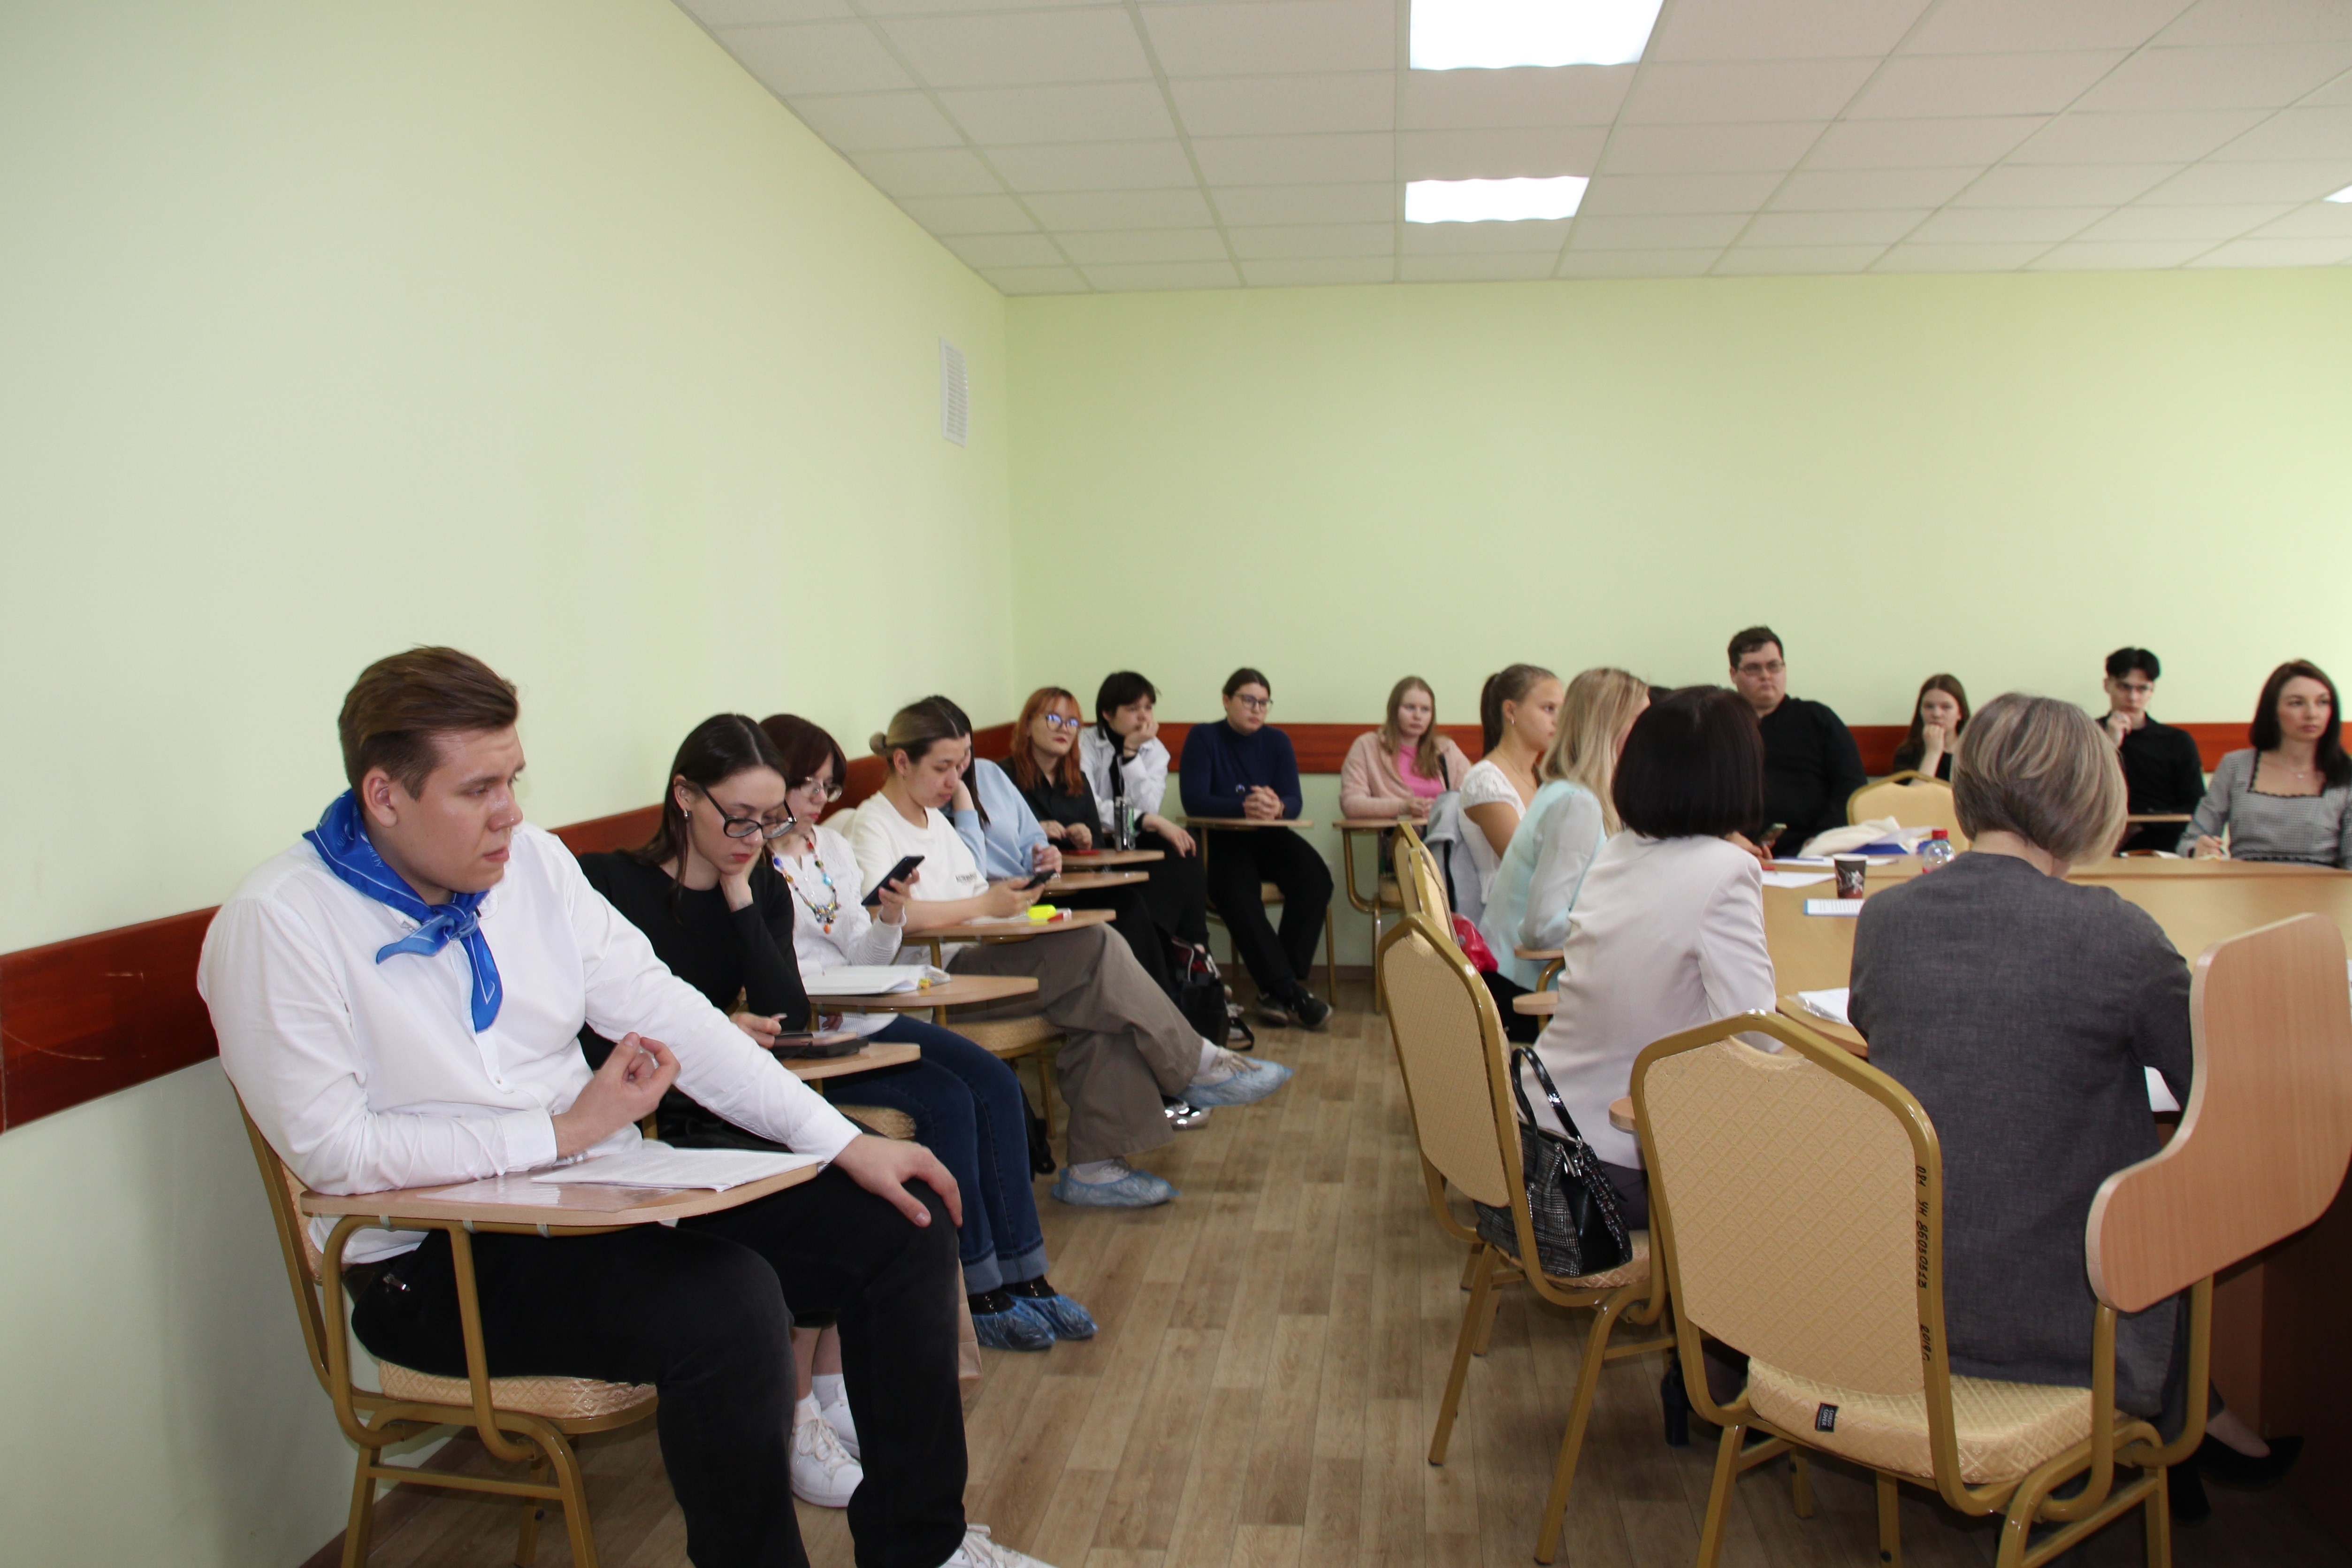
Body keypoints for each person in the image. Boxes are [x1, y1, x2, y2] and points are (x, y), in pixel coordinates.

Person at [200, 648, 1046, 1568]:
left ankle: (922, 1549)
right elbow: (336, 1152)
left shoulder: (534, 866)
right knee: (728, 1304)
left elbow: (671, 1011)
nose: (510, 811)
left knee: (900, 1216)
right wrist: (560, 1131)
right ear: (383, 794)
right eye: (478, 789)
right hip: (432, 1258)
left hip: (595, 1193)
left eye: (513, 779)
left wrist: (840, 1142)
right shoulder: (279, 920)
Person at [1851, 692, 2293, 1522]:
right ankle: (2190, 1423)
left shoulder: (1885, 919)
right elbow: (2220, 1090)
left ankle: (2199, 1425)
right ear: (2092, 796)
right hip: (2061, 1323)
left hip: (1904, 1298)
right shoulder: (2114, 933)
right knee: (2162, 1201)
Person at [580, 713, 1096, 1380]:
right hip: (662, 1118)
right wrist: (713, 1030)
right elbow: (588, 1033)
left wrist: (740, 896)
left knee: (915, 1177)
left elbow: (785, 1013)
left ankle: (854, 1377)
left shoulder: (759, 883)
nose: (757, 838)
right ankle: (817, 1392)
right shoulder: (608, 884)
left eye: (769, 820)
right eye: (741, 819)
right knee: (876, 1187)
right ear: (684, 796)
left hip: (755, 1094)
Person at [849, 699, 1292, 1208]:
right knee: (1096, 946)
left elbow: (974, 896)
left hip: (975, 955)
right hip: (933, 982)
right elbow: (885, 915)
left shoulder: (936, 820)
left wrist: (1014, 897)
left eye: (962, 764)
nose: (956, 780)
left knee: (1103, 1003)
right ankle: (1194, 1064)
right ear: (902, 762)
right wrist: (985, 904)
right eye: (943, 767)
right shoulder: (873, 824)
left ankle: (1095, 1169)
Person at [1524, 686, 1776, 1224]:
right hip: (1613, 1164)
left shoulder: (1619, 849)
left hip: (1539, 1129)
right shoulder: (1726, 869)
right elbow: (1756, 1036)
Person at [1479, 668, 1650, 1036]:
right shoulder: (1578, 803)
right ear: (1610, 727)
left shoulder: (1568, 791)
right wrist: (1624, 928)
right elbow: (1542, 928)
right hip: (1528, 990)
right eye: (1641, 721)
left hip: (1526, 979)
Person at [999, 687, 1193, 1002]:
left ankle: (1161, 1000)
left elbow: (1097, 842)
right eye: (1053, 719)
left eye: (1073, 722)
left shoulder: (1076, 780)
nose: (1064, 729)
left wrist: (1085, 838)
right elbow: (994, 843)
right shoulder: (1002, 776)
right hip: (1030, 893)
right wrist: (1033, 832)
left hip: (1077, 886)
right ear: (1028, 724)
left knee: (1130, 901)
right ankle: (1151, 1002)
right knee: (1124, 909)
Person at [1177, 668, 1336, 1031]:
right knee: (1236, 890)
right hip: (1219, 839)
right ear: (1226, 700)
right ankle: (1290, 991)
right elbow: (1194, 800)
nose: (1257, 709)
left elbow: (1294, 800)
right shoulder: (1204, 737)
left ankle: (1279, 989)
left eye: (1264, 702)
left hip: (1267, 836)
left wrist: (1278, 807)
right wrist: (1246, 806)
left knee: (1316, 878)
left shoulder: (1278, 741)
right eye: (1249, 700)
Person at [1077, 670, 1213, 967]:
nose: (1143, 717)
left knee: (1185, 847)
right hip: (1094, 841)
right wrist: (1146, 820)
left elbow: (1149, 806)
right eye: (1133, 709)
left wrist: (1131, 754)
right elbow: (1088, 806)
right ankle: (1189, 960)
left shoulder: (1155, 750)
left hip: (1134, 840)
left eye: (1148, 708)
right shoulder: (1084, 743)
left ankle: (1193, 951)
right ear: (1107, 713)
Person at [2182, 659, 2352, 866]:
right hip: (2245, 882)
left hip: (2323, 884)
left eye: (2323, 702)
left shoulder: (2347, 773)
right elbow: (2190, 840)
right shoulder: (2236, 766)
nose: (2312, 714)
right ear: (2273, 711)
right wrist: (2199, 850)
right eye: (2297, 703)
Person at [1728, 627, 1865, 858]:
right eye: (1753, 668)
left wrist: (1822, 837)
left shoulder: (1817, 718)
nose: (1766, 675)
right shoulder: (1720, 726)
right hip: (1737, 850)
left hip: (1814, 848)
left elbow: (1851, 786)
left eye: (1774, 666)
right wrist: (1728, 837)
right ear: (1734, 675)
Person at [1456, 665, 1564, 901]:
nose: (1558, 720)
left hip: (1545, 903)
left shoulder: (1542, 776)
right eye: (1548, 709)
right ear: (1511, 711)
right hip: (1507, 910)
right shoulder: (1486, 780)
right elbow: (1527, 865)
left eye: (1562, 711)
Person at [2100, 648, 2209, 855]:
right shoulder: (2086, 735)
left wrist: (2141, 826)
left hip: (2164, 846)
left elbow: (2195, 804)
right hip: (2098, 843)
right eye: (2124, 687)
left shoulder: (2177, 741)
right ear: (2107, 685)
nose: (2133, 698)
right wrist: (2110, 745)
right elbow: (2073, 795)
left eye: (2142, 689)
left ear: (2152, 691)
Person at [1339, 676, 1469, 820]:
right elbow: (1351, 804)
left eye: (1425, 709)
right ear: (1394, 710)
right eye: (1410, 708)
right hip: (1398, 832)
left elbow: (1472, 796)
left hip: (1444, 831)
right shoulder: (1368, 746)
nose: (1418, 716)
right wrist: (1402, 807)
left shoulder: (1446, 749)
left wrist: (1443, 808)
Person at [1889, 674, 1969, 781]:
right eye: (1929, 707)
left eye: (1946, 707)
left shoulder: (1974, 752)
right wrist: (1933, 753)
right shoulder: (1908, 753)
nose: (1936, 714)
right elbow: (1913, 792)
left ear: (1960, 713)